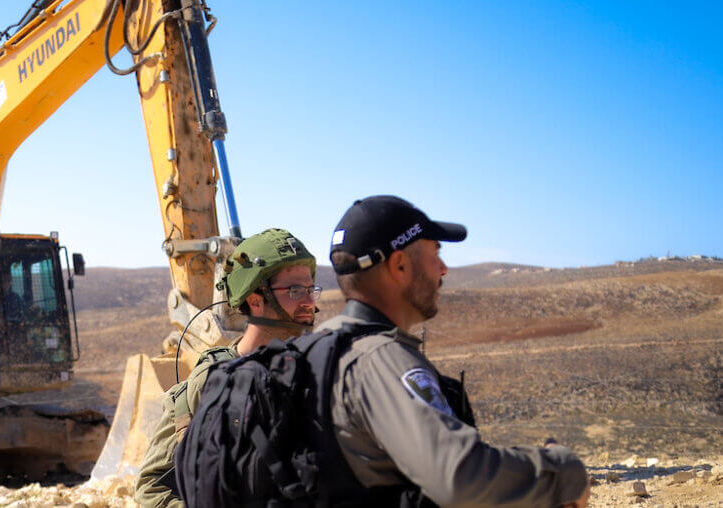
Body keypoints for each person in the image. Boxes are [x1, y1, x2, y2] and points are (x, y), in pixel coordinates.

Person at [319, 195, 590, 507]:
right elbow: (460, 476)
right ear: (400, 265)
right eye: (435, 253)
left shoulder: (320, 346)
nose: (444, 269)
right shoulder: (381, 359)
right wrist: (562, 473)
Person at [135, 228, 320, 508]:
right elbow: (153, 487)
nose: (308, 302)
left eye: (310, 290)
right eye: (295, 291)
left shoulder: (316, 372)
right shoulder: (212, 381)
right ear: (255, 299)